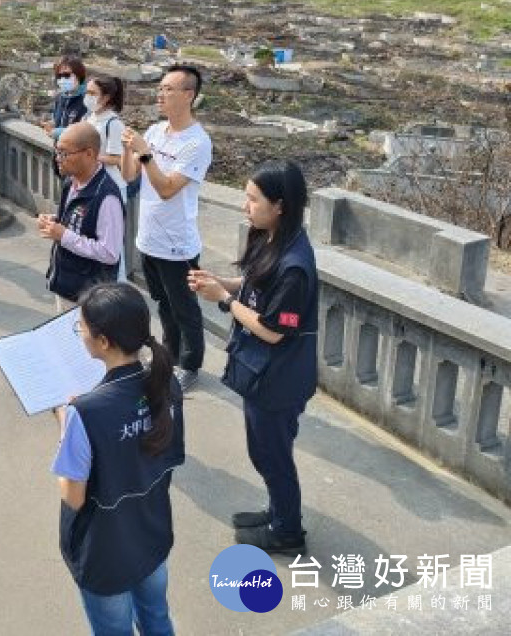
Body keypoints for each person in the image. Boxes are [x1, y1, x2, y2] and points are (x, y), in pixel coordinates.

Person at [188, 160, 317, 555]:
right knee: (265, 452)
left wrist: (224, 300)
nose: (246, 206)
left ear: (280, 205)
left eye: (252, 199)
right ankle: (278, 512)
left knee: (273, 456)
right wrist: (222, 283)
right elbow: (258, 285)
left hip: (279, 378)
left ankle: (288, 533)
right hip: (262, 372)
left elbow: (274, 329)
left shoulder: (296, 265)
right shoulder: (273, 237)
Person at [52, 283, 185, 636]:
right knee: (157, 618)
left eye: (80, 327)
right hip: (152, 532)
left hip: (106, 551)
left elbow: (73, 496)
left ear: (104, 342)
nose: (79, 333)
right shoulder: (165, 382)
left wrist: (65, 428)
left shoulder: (85, 412)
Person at [121, 64, 213, 393]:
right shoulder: (156, 131)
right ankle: (169, 356)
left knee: (185, 308)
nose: (161, 94)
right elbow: (131, 176)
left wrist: (145, 154)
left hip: (178, 244)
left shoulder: (197, 143)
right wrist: (129, 149)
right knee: (162, 304)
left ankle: (190, 365)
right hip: (149, 238)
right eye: (160, 88)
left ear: (189, 96)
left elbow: (167, 188)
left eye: (169, 89)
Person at [38, 122, 124, 314]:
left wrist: (64, 236)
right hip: (66, 284)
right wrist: (54, 221)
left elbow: (110, 253)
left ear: (89, 154)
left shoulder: (106, 196)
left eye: (64, 153)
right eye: (57, 152)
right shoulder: (72, 181)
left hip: (88, 296)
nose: (58, 159)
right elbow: (79, 222)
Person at [82, 76, 128, 281]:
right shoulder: (88, 118)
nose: (88, 97)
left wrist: (89, 155)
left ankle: (117, 285)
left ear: (107, 97)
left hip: (110, 187)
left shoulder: (114, 123)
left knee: (111, 242)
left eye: (93, 93)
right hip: (91, 184)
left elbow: (116, 158)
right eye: (87, 92)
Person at [42, 55, 87, 141]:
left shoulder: (87, 99)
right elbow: (57, 120)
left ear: (79, 75)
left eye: (67, 75)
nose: (62, 79)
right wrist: (51, 124)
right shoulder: (60, 97)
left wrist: (60, 132)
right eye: (59, 76)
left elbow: (87, 130)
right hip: (59, 150)